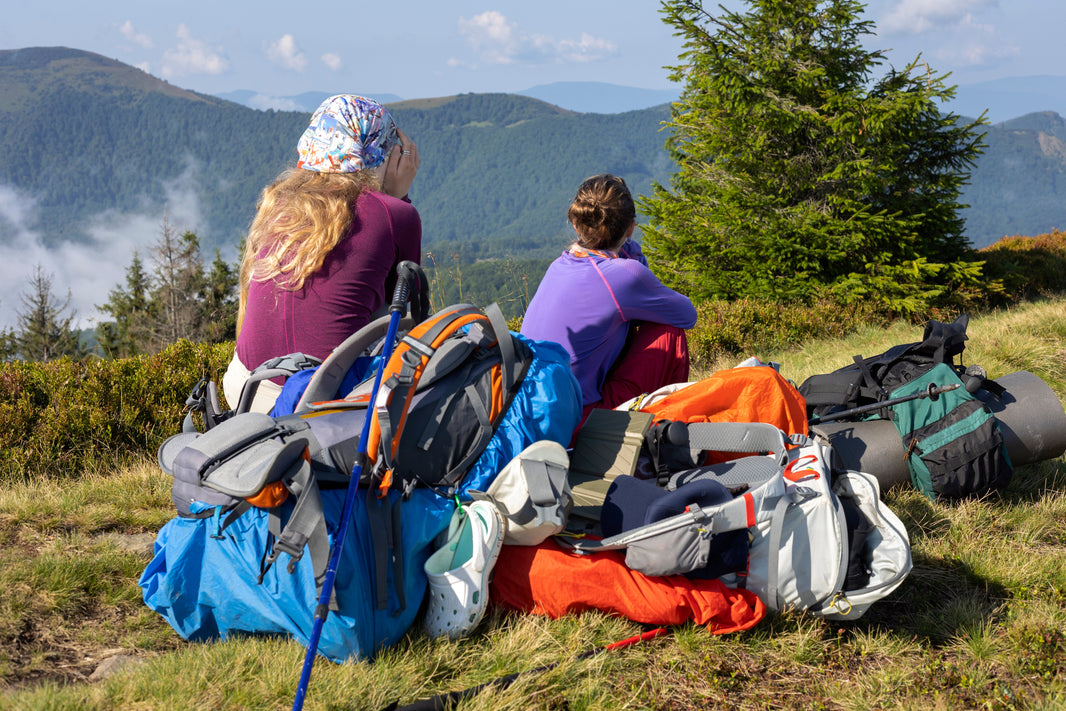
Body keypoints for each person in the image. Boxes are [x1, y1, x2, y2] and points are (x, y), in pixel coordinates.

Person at [222, 94, 421, 412]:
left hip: (245, 388)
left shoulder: (277, 202)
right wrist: (400, 198)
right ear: (380, 154)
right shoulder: (394, 214)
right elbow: (410, 308)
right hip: (316, 401)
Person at [520, 174, 696, 424]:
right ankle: (665, 423)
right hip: (578, 420)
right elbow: (687, 315)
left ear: (576, 225)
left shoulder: (558, 265)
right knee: (668, 330)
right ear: (630, 228)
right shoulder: (624, 274)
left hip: (530, 413)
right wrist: (635, 260)